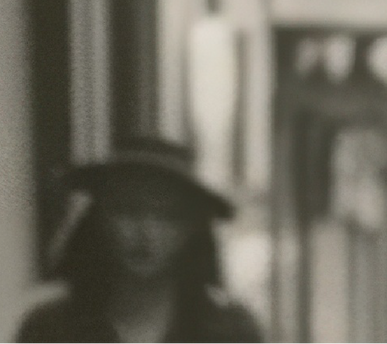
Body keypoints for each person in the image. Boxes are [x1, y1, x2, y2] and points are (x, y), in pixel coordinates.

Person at [14, 137, 269, 344]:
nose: (147, 232)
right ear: (99, 219)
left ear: (191, 229)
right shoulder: (50, 330)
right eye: (128, 210)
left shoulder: (229, 334)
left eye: (167, 216)